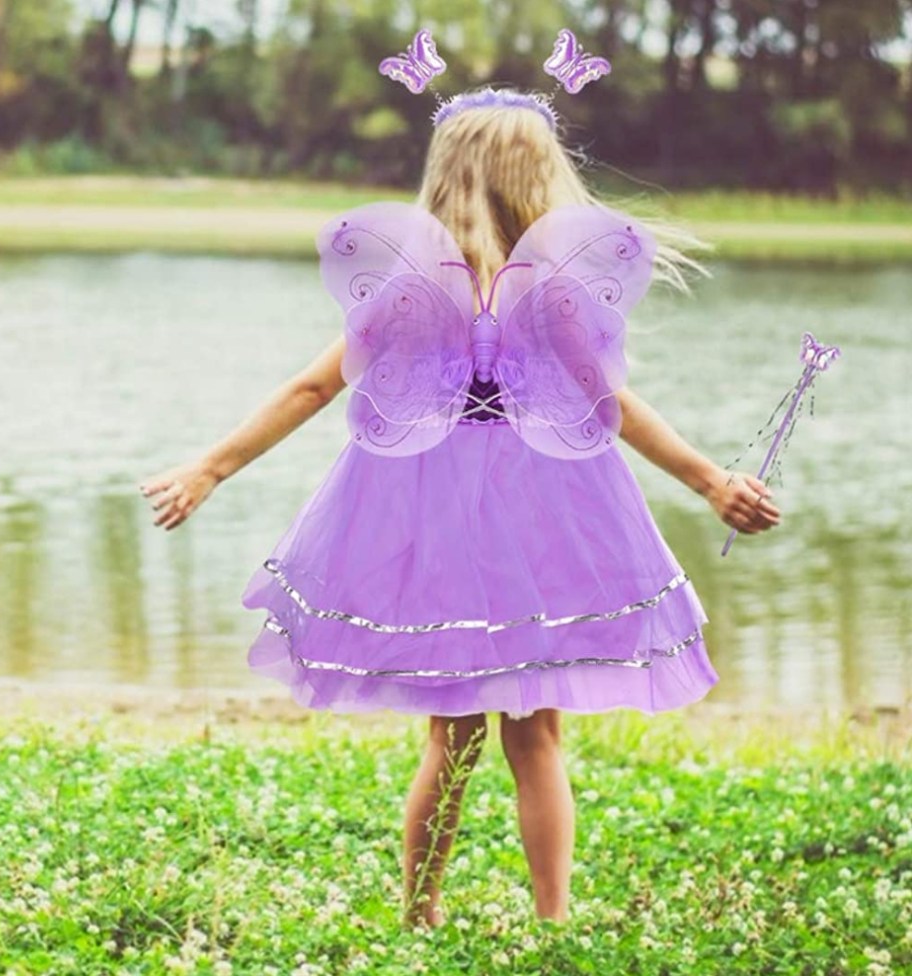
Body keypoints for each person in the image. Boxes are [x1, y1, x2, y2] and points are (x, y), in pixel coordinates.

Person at [139, 89, 780, 929]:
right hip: (549, 515)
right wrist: (708, 482)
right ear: (543, 183)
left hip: (432, 520)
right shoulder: (556, 293)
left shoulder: (408, 293)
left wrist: (210, 467)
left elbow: (310, 387)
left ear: (440, 181)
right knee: (537, 738)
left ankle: (420, 915)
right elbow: (614, 407)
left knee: (451, 739)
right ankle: (552, 921)